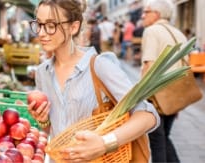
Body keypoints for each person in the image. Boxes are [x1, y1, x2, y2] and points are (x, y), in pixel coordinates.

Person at [27, 0, 160, 162]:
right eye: (38, 24)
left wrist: (105, 143)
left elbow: (148, 115)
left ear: (73, 27)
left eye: (50, 25)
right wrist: (43, 120)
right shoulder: (42, 73)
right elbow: (52, 130)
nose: (41, 33)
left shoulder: (99, 65)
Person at [140, 0, 187, 162]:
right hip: (176, 92)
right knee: (164, 137)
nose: (143, 15)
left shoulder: (152, 31)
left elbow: (149, 66)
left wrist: (139, 97)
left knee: (157, 141)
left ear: (156, 14)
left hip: (157, 93)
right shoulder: (178, 32)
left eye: (146, 12)